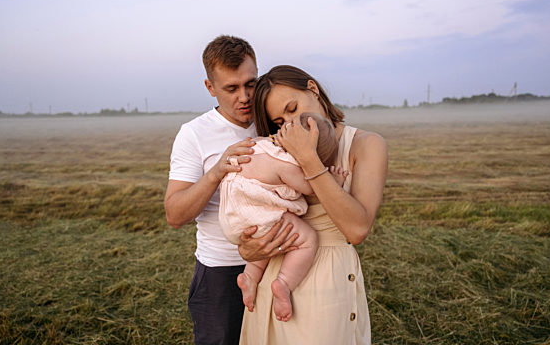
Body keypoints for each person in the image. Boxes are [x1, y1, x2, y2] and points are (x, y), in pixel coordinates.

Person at [238, 65, 388, 345]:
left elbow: (356, 230)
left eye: (293, 109)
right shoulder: (278, 151)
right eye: (280, 122)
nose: (291, 125)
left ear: (313, 89)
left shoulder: (366, 145)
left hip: (328, 285)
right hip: (277, 279)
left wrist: (309, 159)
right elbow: (257, 209)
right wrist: (248, 248)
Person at [164, 36, 299, 345]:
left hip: (282, 266)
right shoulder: (193, 135)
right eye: (231, 88)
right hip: (221, 274)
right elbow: (174, 214)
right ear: (210, 88)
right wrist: (217, 172)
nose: (245, 97)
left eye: (251, 84)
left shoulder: (274, 120)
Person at [219, 112, 348, 322]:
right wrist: (332, 180)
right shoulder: (285, 163)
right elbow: (312, 188)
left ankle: (250, 277)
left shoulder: (259, 144)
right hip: (256, 216)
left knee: (266, 242)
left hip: (232, 218)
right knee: (306, 238)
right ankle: (284, 283)